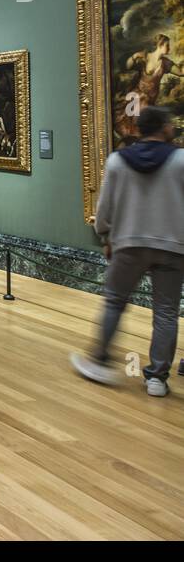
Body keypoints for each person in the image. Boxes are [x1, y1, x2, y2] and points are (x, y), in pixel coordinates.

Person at [71, 106, 184, 398]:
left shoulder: (118, 161)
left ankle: (99, 360)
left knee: (114, 303)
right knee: (166, 313)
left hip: (129, 244)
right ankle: (157, 378)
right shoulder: (181, 160)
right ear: (163, 128)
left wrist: (106, 236)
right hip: (172, 246)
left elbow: (105, 208)